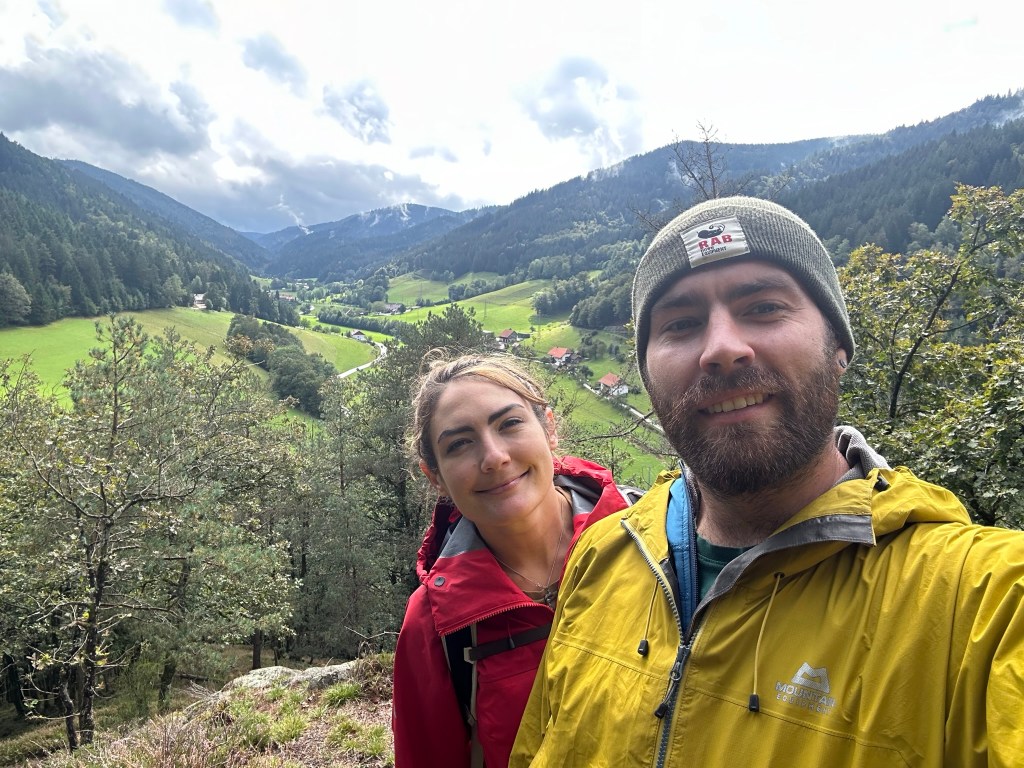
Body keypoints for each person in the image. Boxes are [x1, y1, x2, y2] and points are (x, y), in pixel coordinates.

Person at [511, 197, 1024, 767]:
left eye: (763, 307)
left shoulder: (987, 605)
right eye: (681, 324)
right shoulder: (602, 556)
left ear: (838, 347)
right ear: (648, 372)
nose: (722, 348)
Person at [392, 352, 638, 768]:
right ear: (436, 478)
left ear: (549, 430)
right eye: (459, 444)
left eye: (509, 424)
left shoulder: (651, 539)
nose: (494, 457)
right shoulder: (437, 627)